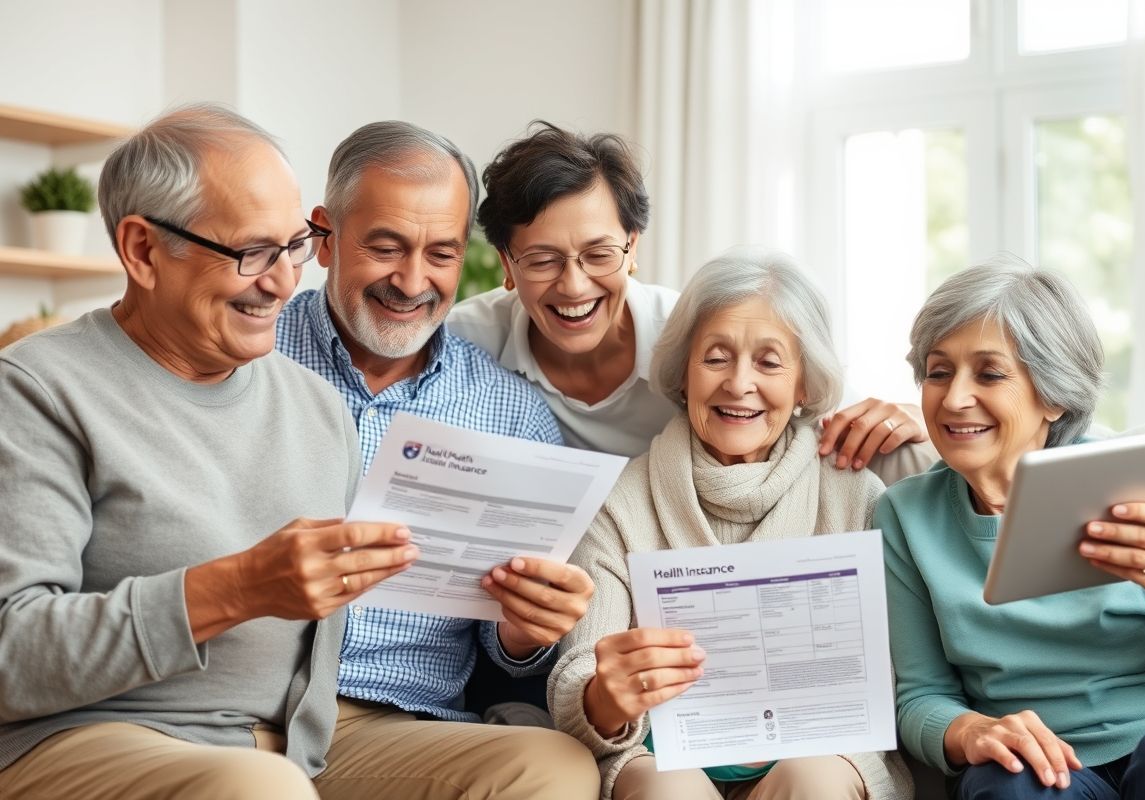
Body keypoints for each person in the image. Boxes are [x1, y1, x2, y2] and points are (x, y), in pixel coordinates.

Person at [0, 105, 418, 799]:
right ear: (141, 251)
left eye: (294, 246)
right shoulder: (38, 390)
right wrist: (235, 589)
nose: (285, 281)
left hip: (296, 743)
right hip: (85, 737)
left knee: (540, 767)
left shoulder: (318, 407)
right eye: (252, 253)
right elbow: (10, 652)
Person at [877, 260, 1145, 799]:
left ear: (1053, 396)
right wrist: (973, 730)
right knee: (1007, 786)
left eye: (989, 373)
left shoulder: (1126, 477)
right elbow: (922, 697)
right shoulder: (906, 515)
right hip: (1053, 764)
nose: (955, 398)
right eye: (939, 372)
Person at [275, 120, 600, 798]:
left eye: (441, 254)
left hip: (389, 726)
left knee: (555, 769)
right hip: (236, 709)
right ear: (325, 238)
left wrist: (521, 630)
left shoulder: (511, 414)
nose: (412, 280)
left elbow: (509, 652)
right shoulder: (249, 351)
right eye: (386, 246)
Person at [549, 248, 914, 800]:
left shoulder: (854, 494)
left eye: (769, 363)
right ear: (684, 373)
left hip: (821, 755)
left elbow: (899, 673)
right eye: (716, 358)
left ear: (804, 387)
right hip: (663, 760)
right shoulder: (621, 503)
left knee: (811, 780)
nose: (738, 383)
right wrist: (605, 697)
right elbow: (577, 674)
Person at [448, 122, 928, 469]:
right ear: (507, 264)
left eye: (599, 255)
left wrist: (908, 416)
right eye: (543, 260)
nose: (574, 286)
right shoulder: (463, 342)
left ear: (633, 247)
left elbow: (816, 395)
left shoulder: (697, 333)